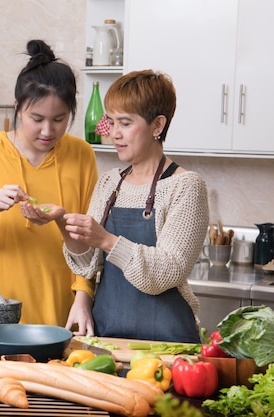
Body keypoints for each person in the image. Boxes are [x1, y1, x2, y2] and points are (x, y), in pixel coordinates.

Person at [22, 70, 209, 343]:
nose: (115, 134)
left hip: (168, 346)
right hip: (109, 338)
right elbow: (88, 266)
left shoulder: (186, 186)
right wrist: (63, 223)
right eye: (111, 122)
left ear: (157, 126)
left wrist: (108, 241)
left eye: (125, 123)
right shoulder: (110, 182)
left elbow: (168, 272)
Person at [0, 40, 99, 332]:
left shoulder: (81, 155)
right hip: (3, 314)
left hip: (66, 313)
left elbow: (91, 242)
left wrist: (83, 298)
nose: (48, 130)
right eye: (37, 119)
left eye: (59, 119)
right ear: (18, 108)